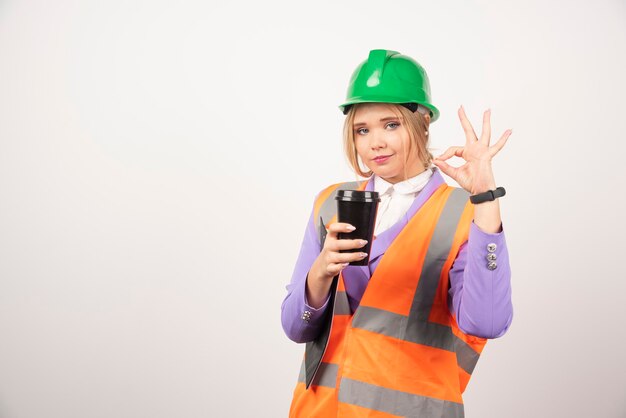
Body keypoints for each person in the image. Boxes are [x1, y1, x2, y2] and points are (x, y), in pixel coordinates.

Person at [281, 49, 513, 418]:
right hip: (320, 410)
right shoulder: (331, 203)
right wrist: (320, 273)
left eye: (391, 124)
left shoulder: (462, 211)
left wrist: (485, 200)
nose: (376, 142)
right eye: (362, 129)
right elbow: (296, 328)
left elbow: (486, 323)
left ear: (423, 123)